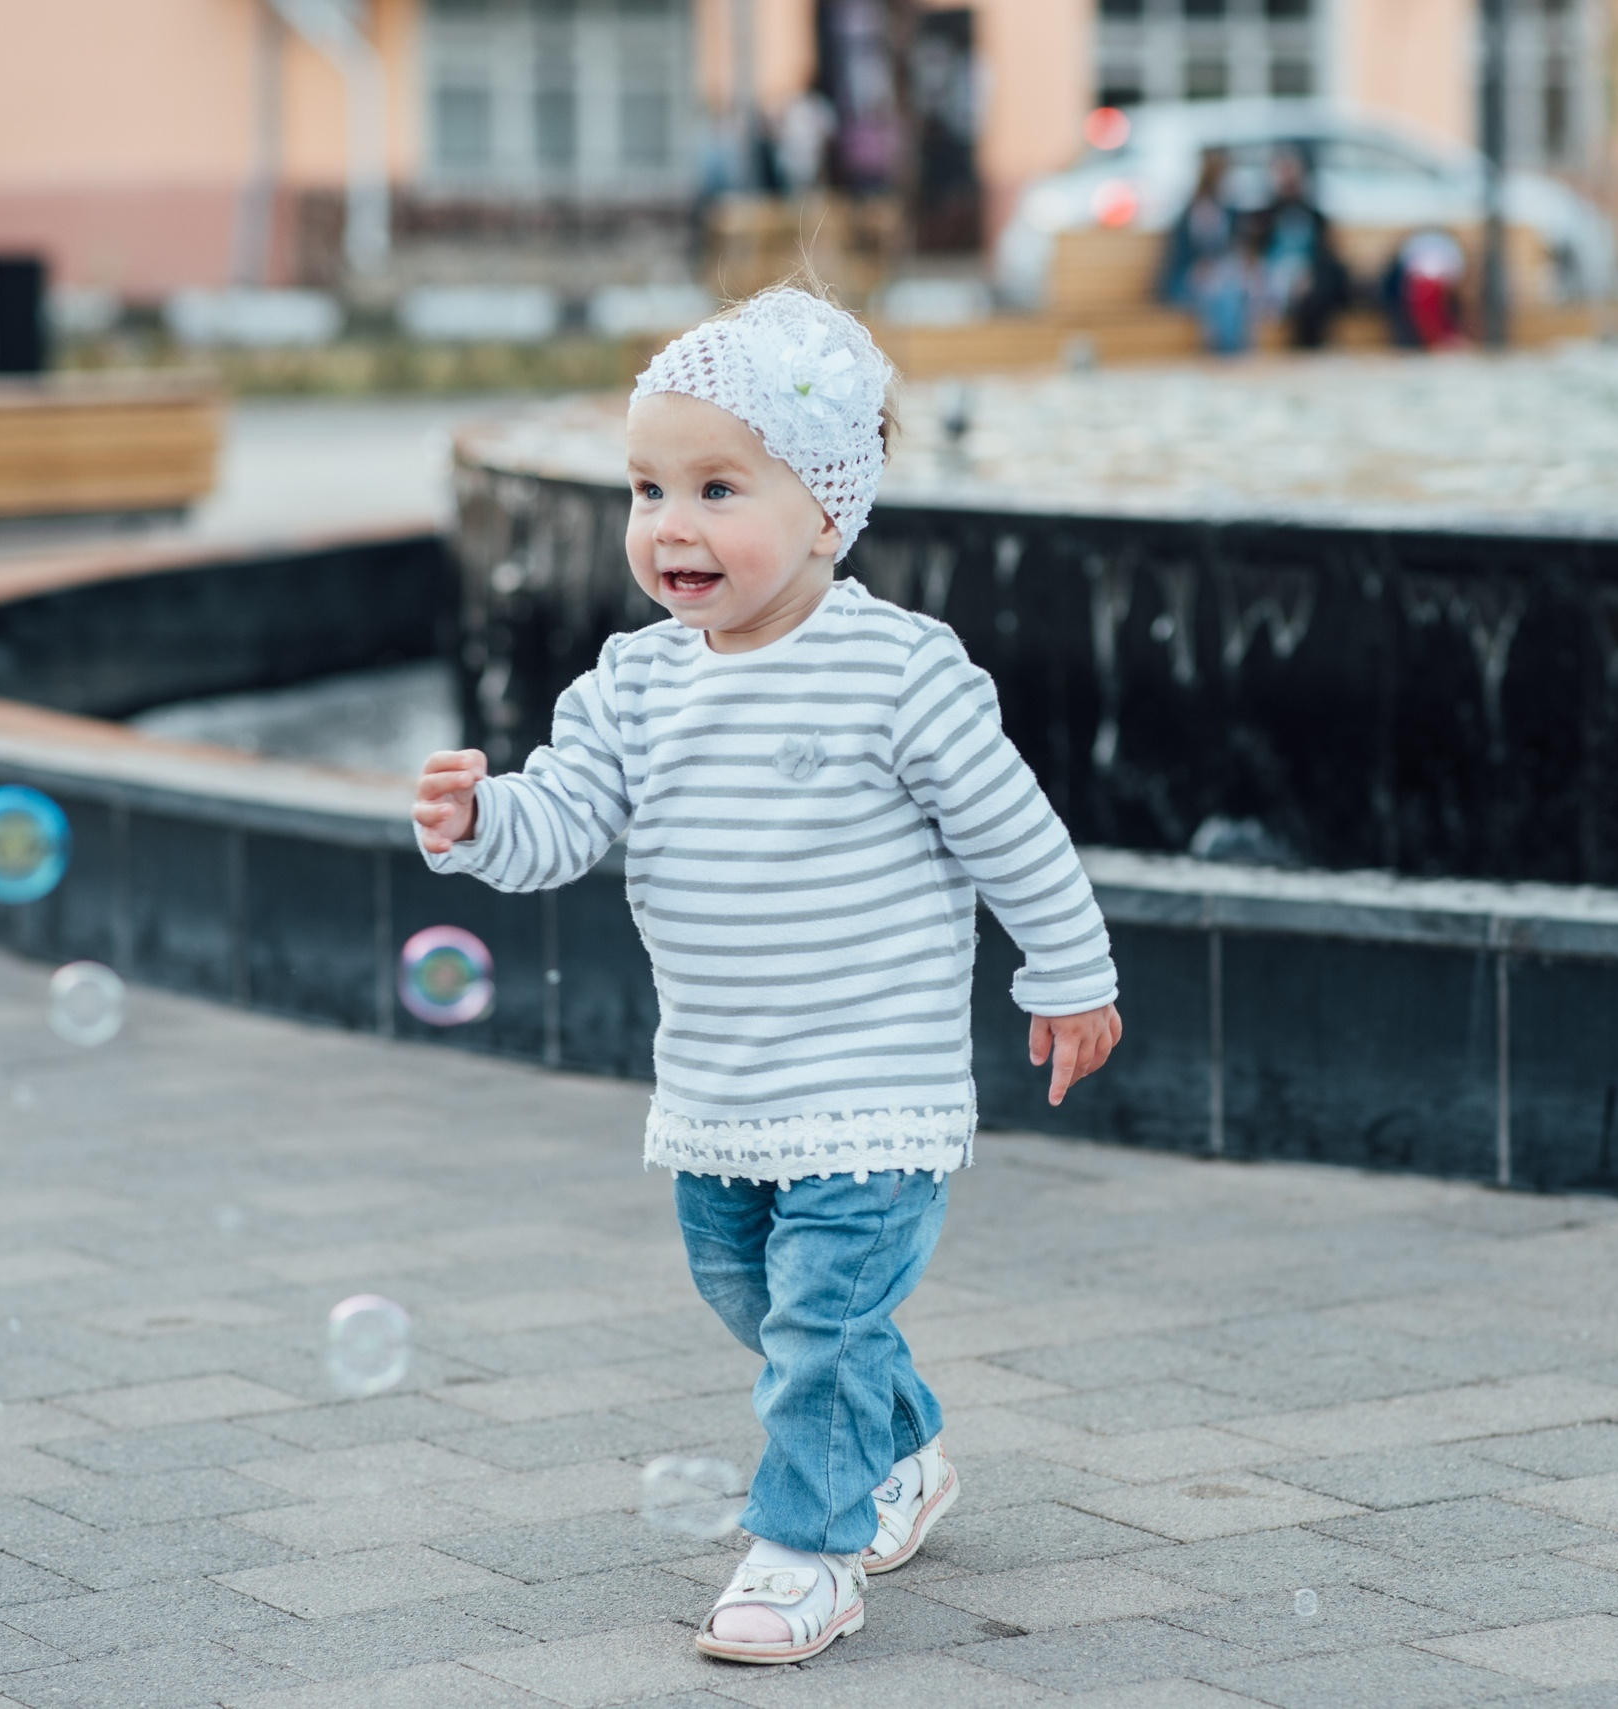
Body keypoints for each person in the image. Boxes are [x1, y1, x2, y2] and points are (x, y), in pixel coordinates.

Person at [410, 286, 1124, 1667]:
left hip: (873, 1091)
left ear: (827, 511)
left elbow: (1015, 833)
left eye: (717, 487)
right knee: (742, 1284)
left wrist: (1069, 972)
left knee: (814, 1322)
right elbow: (562, 819)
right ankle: (901, 1448)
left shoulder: (898, 673)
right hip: (723, 1086)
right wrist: (482, 820)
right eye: (647, 487)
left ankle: (805, 1550)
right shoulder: (631, 686)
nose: (670, 524)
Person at [1157, 149, 1252, 355]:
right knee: (1219, 292)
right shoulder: (1190, 213)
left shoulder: (1229, 211)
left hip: (1219, 279)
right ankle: (1229, 352)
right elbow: (1177, 259)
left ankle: (1226, 350)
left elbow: (1234, 252)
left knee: (1229, 291)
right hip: (1185, 280)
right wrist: (1197, 270)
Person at [1258, 149, 1352, 349]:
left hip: (1309, 277)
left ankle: (1309, 346)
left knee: (1319, 288)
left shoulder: (1314, 215)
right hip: (1275, 276)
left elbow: (1325, 253)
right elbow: (1258, 253)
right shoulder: (1265, 215)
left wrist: (1308, 274)